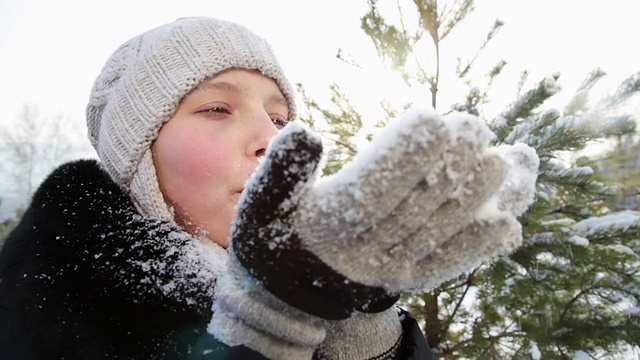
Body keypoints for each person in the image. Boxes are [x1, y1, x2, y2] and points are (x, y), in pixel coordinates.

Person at [0, 16, 538, 360]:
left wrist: (363, 317)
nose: (270, 140)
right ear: (137, 157)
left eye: (281, 119)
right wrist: (268, 327)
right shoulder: (37, 311)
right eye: (217, 108)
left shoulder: (320, 270)